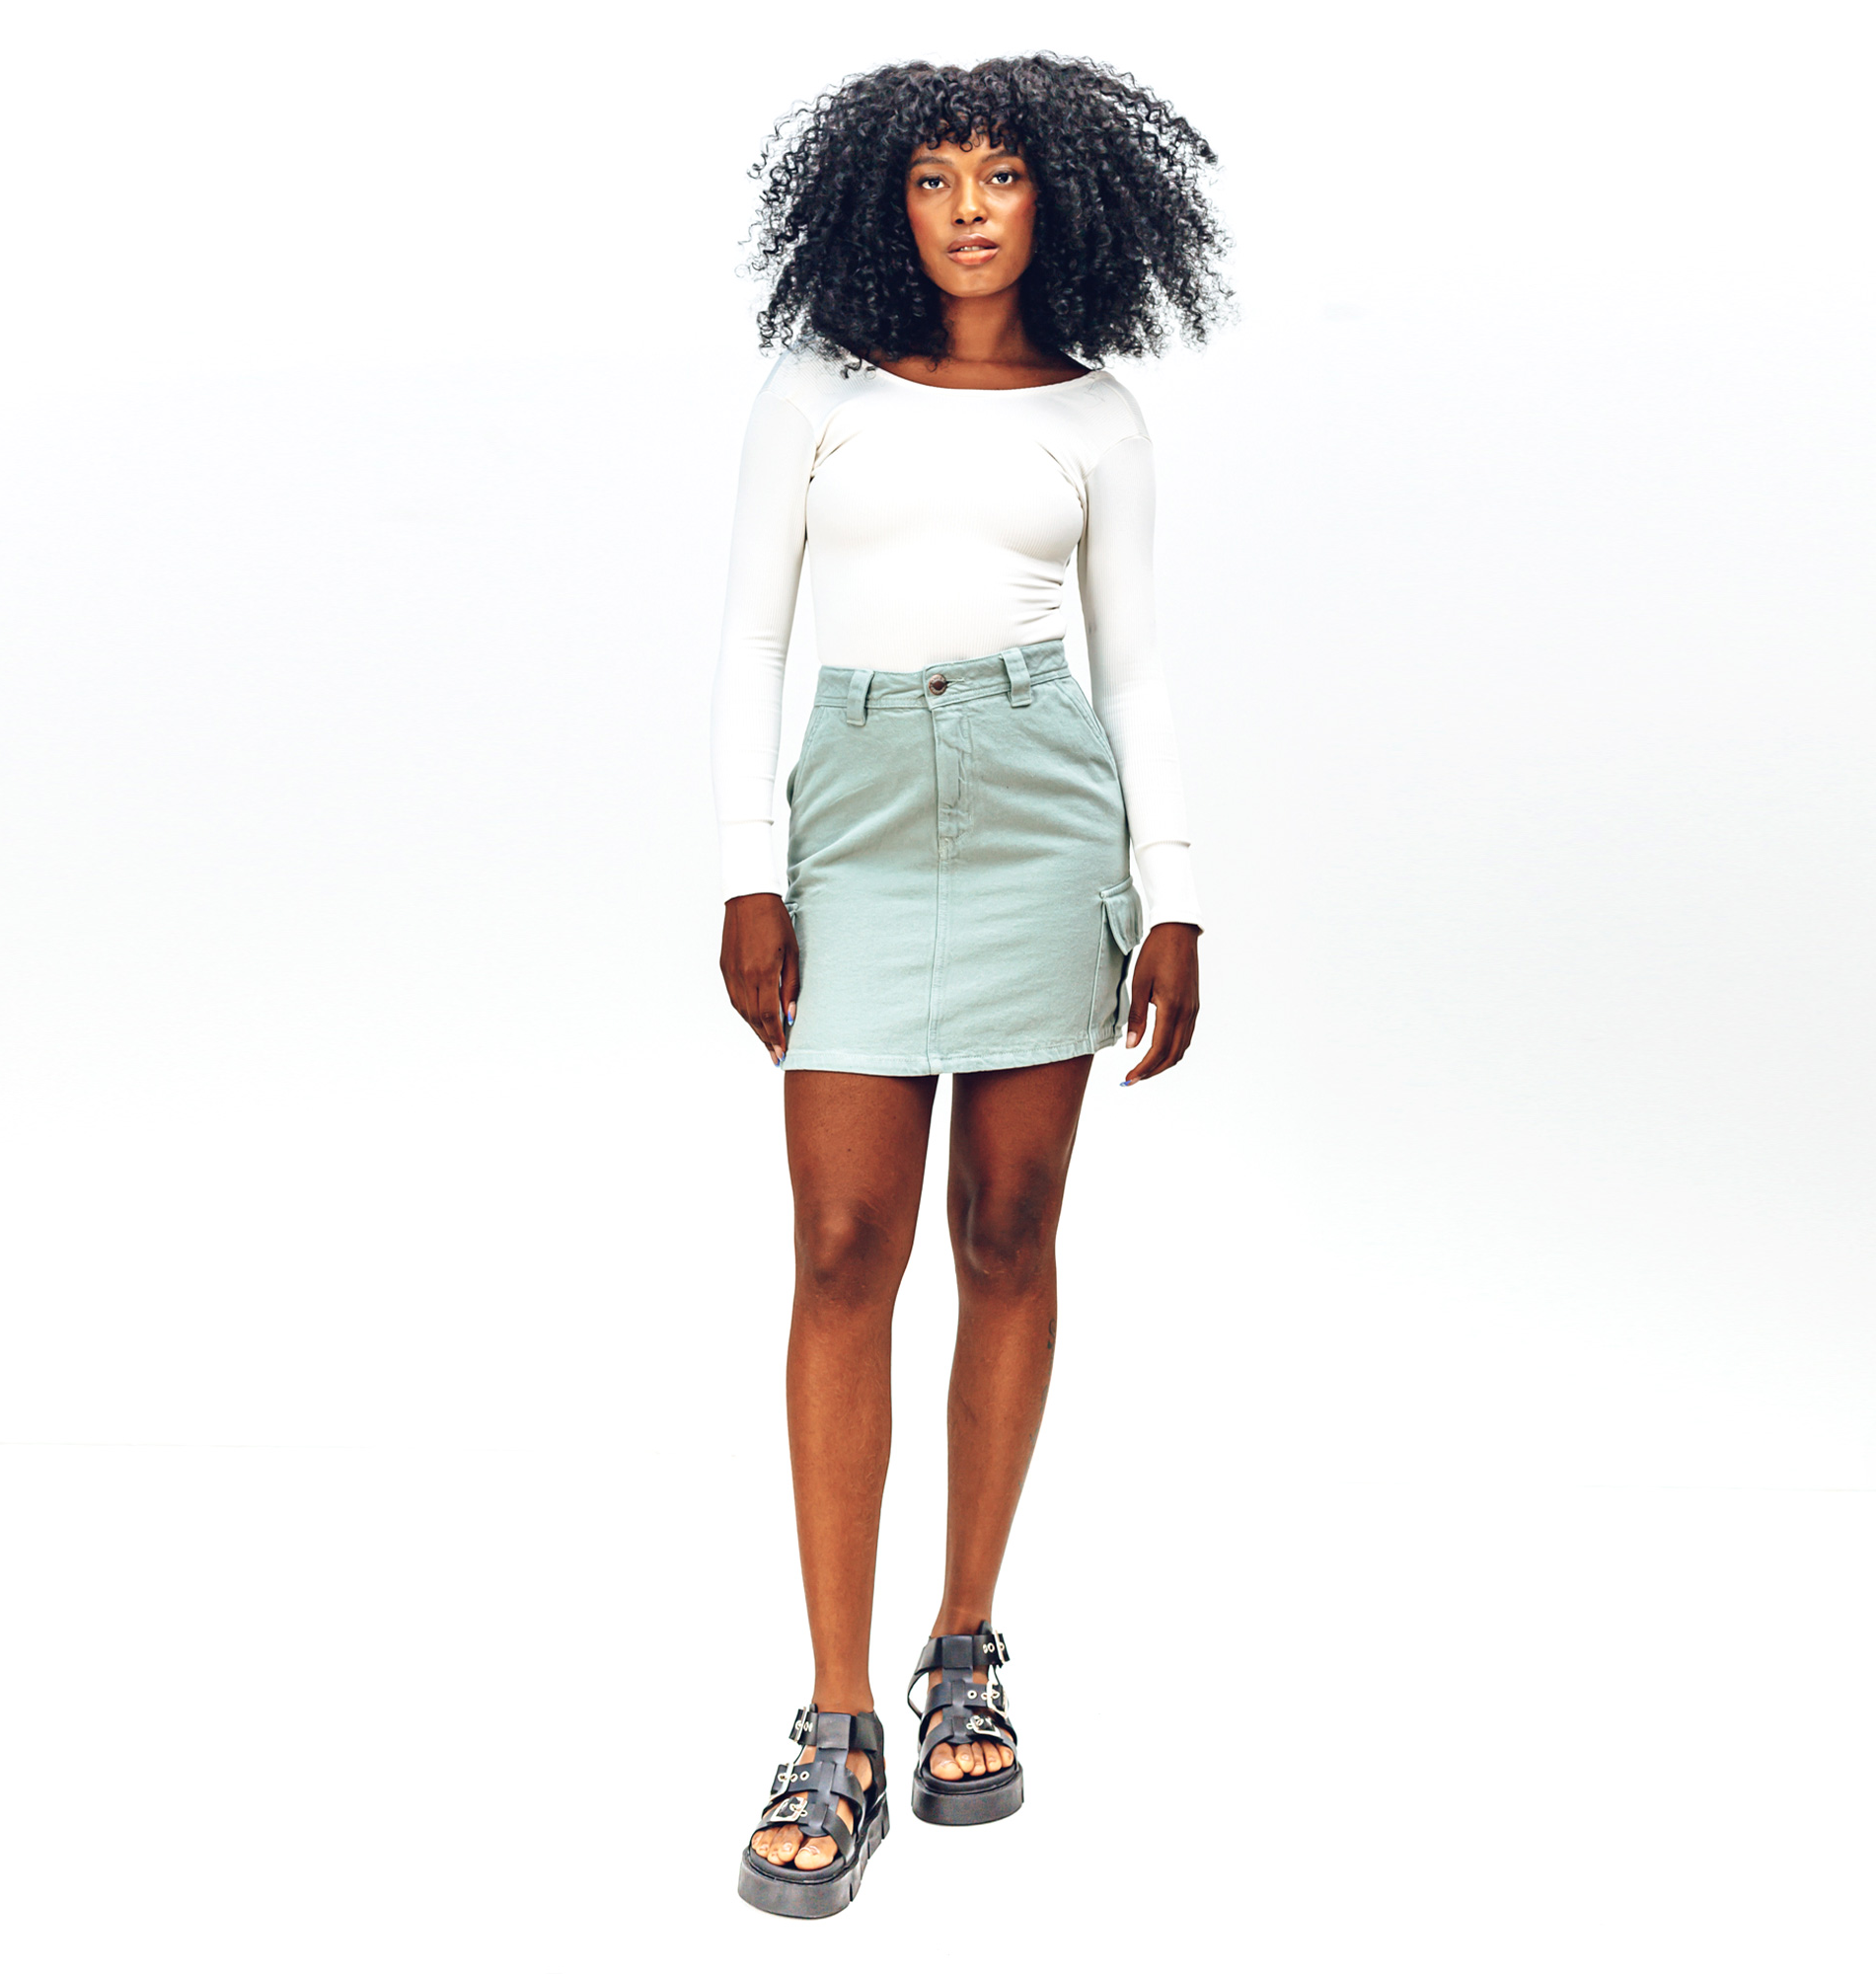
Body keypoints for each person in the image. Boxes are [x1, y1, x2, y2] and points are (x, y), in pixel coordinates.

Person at [713, 54, 1229, 1918]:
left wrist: (1171, 894)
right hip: (855, 806)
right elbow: (753, 638)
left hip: (1039, 803)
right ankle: (836, 1718)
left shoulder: (1098, 419)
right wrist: (749, 872)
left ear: (1056, 200)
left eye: (1000, 175)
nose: (968, 209)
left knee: (1008, 1234)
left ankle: (963, 1652)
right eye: (934, 178)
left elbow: (1135, 668)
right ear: (887, 203)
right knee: (842, 1246)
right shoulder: (818, 394)